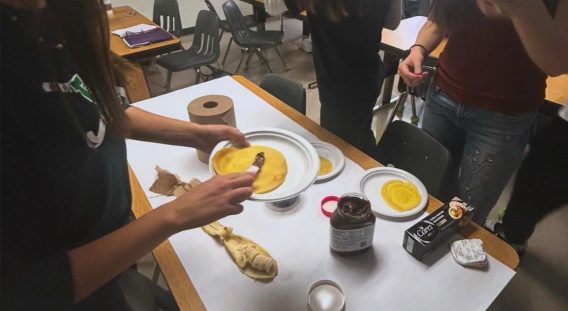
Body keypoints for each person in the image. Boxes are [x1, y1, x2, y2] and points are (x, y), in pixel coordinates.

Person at [0, 0, 255, 309]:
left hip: (116, 249)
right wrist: (176, 214)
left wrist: (194, 134)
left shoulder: (52, 20)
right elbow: (26, 289)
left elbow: (97, 107)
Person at [398, 0, 568, 225]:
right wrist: (418, 49)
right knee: (425, 196)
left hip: (504, 115)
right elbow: (439, 18)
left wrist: (523, 8)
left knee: (466, 217)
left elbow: (558, 63)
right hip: (443, 93)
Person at [487, 3, 568, 255]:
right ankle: (512, 231)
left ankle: (511, 237)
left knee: (535, 180)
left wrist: (523, 13)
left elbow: (565, 59)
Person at [285, 0, 403, 157]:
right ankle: (371, 167)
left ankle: (369, 168)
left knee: (339, 148)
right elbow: (392, 22)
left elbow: (278, 7)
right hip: (362, 77)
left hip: (339, 81)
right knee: (359, 136)